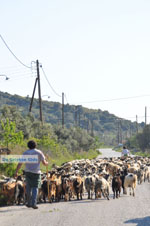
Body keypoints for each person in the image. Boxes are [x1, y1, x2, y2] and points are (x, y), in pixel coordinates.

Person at [14, 140, 48, 209]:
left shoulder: (25, 153)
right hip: (36, 172)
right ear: (35, 145)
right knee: (35, 188)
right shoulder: (39, 152)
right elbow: (44, 163)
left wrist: (16, 172)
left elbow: (20, 163)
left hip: (28, 172)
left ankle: (29, 202)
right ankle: (33, 203)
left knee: (28, 188)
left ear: (28, 146)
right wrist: (47, 163)